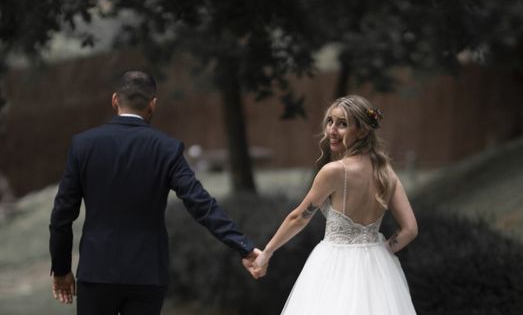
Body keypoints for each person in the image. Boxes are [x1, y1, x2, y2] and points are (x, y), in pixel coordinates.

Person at [49, 70, 262, 315]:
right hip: (147, 273)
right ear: (153, 104)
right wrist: (243, 246)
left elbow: (62, 215)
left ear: (115, 100)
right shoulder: (167, 149)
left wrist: (62, 269)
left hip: (97, 272)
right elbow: (201, 204)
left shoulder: (83, 145)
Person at [253, 94, 418, 314]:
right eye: (330, 121)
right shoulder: (385, 171)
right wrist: (382, 251)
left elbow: (298, 217)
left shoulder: (335, 171)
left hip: (334, 267)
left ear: (362, 131)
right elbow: (410, 230)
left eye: (342, 124)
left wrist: (267, 252)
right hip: (377, 270)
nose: (331, 130)